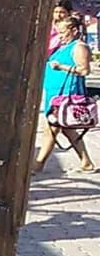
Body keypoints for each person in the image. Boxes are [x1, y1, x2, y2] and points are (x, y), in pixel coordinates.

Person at [35, 16, 96, 174]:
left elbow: (84, 70)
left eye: (63, 32)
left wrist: (61, 67)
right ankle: (86, 162)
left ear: (74, 31)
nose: (60, 35)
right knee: (67, 129)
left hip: (67, 93)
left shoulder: (79, 47)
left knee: (52, 128)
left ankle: (38, 164)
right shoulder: (63, 46)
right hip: (55, 93)